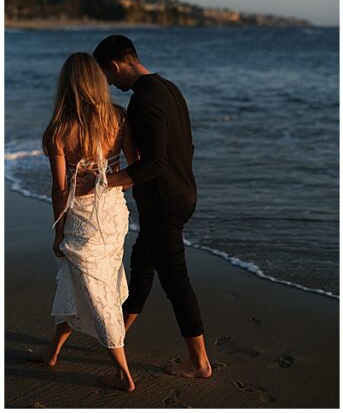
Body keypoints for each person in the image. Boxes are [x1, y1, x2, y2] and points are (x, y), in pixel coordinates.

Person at [82, 35, 211, 378]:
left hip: (164, 203)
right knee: (142, 264)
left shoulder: (143, 100)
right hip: (183, 194)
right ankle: (117, 334)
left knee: (175, 281)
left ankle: (199, 363)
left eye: (108, 77)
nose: (109, 84)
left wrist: (104, 181)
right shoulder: (170, 89)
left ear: (115, 65)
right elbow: (187, 146)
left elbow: (153, 163)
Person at [33, 52, 140, 391]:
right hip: (114, 216)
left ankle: (124, 375)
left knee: (99, 297)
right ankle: (53, 352)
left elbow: (59, 189)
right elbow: (134, 171)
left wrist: (59, 231)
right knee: (77, 282)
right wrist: (104, 179)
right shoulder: (119, 119)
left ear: (67, 85)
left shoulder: (59, 130)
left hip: (82, 223)